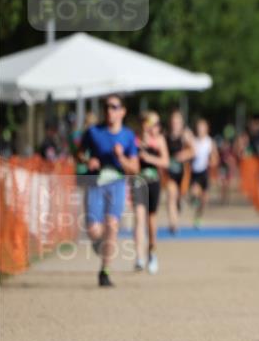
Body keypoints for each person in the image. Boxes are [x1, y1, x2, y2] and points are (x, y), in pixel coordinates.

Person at [79, 94, 140, 287]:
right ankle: (101, 246)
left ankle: (105, 271)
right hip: (96, 184)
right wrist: (87, 160)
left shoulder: (128, 136)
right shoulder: (93, 132)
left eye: (114, 107)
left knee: (112, 225)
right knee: (93, 229)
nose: (109, 111)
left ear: (122, 111)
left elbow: (134, 168)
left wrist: (121, 158)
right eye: (106, 107)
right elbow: (79, 153)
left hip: (117, 185)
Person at [133, 111, 169, 274]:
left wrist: (149, 157)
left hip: (154, 183)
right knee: (139, 219)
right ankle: (139, 257)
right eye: (150, 124)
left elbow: (165, 162)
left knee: (151, 222)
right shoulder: (136, 140)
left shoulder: (159, 141)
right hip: (139, 182)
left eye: (156, 125)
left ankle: (152, 253)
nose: (153, 128)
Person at [164, 110, 193, 235]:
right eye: (173, 122)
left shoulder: (186, 135)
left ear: (181, 123)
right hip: (169, 172)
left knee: (178, 197)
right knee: (171, 195)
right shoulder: (165, 136)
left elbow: (193, 151)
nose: (175, 124)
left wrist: (183, 155)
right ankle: (173, 224)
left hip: (183, 172)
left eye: (177, 122)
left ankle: (179, 204)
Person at [187, 118, 217, 229]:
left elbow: (215, 158)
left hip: (205, 172)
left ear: (207, 129)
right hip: (195, 172)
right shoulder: (193, 141)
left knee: (204, 200)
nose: (200, 129)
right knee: (195, 191)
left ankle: (198, 217)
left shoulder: (210, 142)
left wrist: (212, 162)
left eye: (203, 127)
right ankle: (193, 198)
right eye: (199, 127)